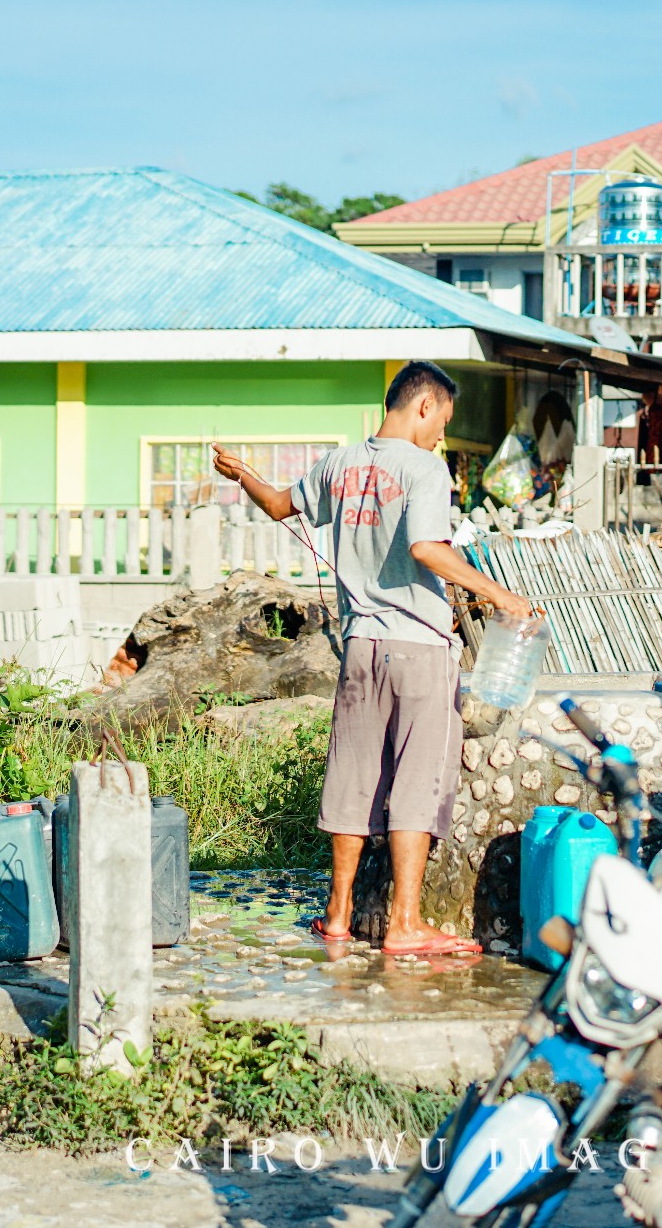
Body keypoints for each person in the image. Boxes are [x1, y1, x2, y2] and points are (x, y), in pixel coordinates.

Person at [212, 361, 531, 956]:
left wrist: (242, 474)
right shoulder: (425, 469)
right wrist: (499, 593)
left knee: (354, 776)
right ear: (424, 406)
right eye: (443, 423)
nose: (442, 437)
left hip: (361, 646)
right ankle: (404, 924)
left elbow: (280, 506)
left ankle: (336, 915)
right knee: (416, 778)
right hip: (419, 645)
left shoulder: (339, 463)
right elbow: (425, 547)